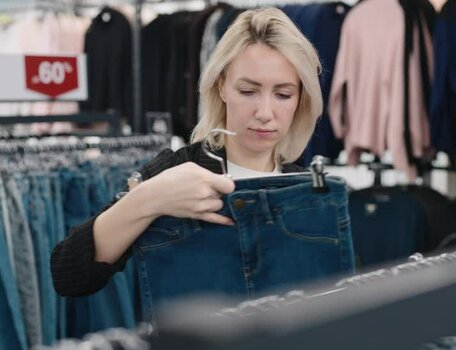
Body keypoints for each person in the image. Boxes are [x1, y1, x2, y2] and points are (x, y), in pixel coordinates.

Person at [51, 8, 323, 297]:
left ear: (301, 100)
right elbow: (69, 274)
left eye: (283, 95)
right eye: (247, 91)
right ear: (221, 87)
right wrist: (149, 199)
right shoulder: (175, 171)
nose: (265, 113)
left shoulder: (307, 187)